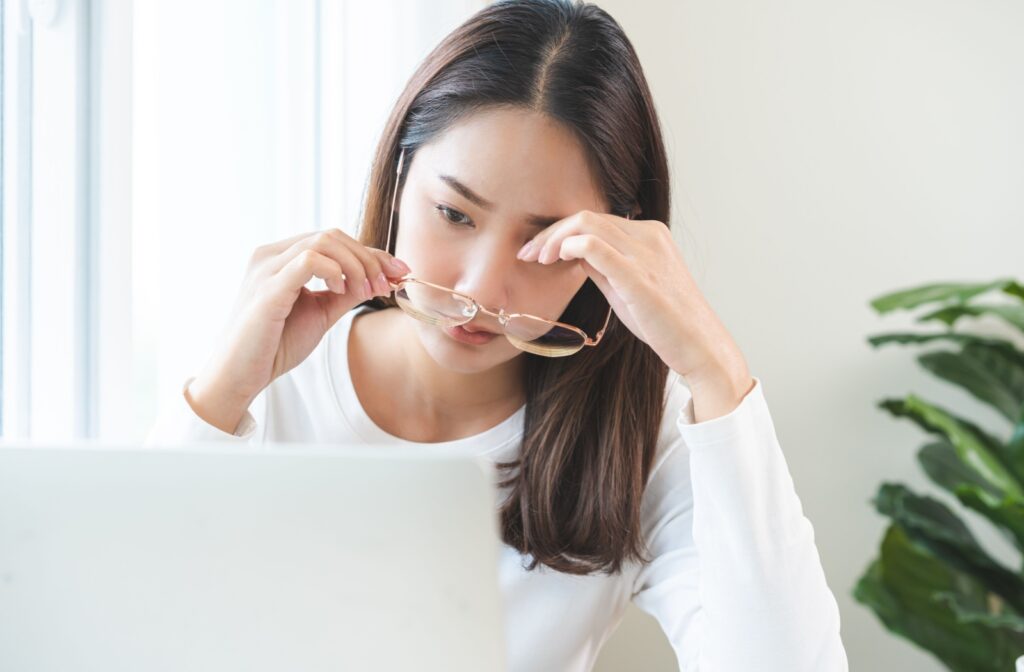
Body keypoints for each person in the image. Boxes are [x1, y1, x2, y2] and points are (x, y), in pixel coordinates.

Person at [147, 0, 849, 669]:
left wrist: (714, 368)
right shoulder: (266, 382)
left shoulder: (640, 433)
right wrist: (219, 397)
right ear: (399, 178)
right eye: (454, 214)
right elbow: (124, 630)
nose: (481, 292)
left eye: (547, 245)